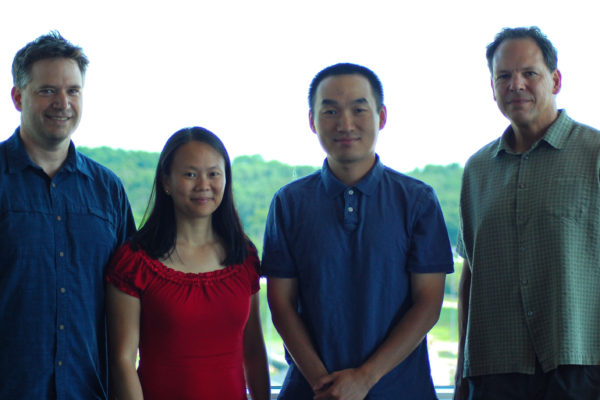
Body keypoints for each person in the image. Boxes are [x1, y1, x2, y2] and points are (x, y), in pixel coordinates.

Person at [262, 63, 454, 399]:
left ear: (381, 116)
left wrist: (365, 379)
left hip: (401, 390)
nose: (345, 123)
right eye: (331, 110)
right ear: (312, 121)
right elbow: (280, 304)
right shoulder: (289, 203)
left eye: (358, 109)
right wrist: (325, 385)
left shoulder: (418, 200)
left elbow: (428, 303)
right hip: (310, 390)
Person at [454, 26, 600, 400]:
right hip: (493, 368)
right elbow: (470, 275)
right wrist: (461, 374)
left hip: (580, 363)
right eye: (503, 76)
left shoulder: (594, 153)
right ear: (492, 87)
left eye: (529, 73)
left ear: (555, 79)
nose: (515, 84)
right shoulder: (477, 170)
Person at [0, 32, 135, 399]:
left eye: (73, 91)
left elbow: (131, 302)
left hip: (89, 391)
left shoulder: (108, 190)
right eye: (47, 90)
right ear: (18, 97)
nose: (63, 102)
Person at [105, 127, 270, 400]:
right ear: (166, 181)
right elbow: (122, 361)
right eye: (190, 174)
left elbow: (253, 349)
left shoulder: (244, 256)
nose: (203, 185)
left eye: (214, 173)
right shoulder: (133, 263)